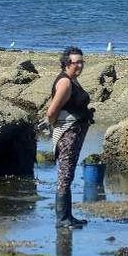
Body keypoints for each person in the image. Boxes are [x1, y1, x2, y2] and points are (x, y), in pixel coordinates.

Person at [45, 47, 94, 229]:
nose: (80, 65)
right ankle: (62, 219)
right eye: (76, 62)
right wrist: (56, 126)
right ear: (67, 64)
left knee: (69, 173)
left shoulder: (73, 80)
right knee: (65, 175)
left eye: (82, 62)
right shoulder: (65, 83)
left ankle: (69, 216)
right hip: (68, 133)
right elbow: (51, 112)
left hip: (75, 132)